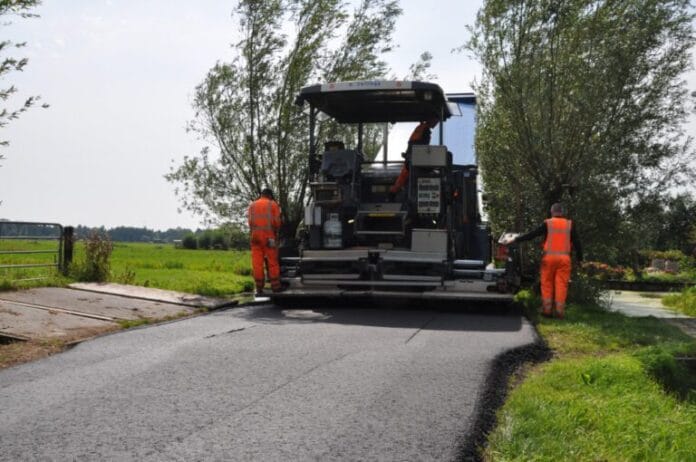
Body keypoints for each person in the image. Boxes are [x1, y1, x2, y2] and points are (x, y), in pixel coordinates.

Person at [506, 203, 582, 319]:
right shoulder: (569, 224)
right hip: (564, 259)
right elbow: (577, 242)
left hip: (549, 259)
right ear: (562, 212)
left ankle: (547, 311)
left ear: (552, 212)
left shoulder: (548, 223)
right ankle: (559, 311)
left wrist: (516, 239)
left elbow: (532, 234)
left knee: (547, 283)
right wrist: (580, 259)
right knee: (561, 284)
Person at [388, 116, 439, 200]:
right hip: (415, 158)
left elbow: (413, 143)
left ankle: (393, 193)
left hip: (412, 157)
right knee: (411, 176)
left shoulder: (421, 128)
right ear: (431, 119)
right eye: (436, 121)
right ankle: (396, 194)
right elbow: (421, 146)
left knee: (404, 176)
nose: (436, 124)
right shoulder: (425, 130)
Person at [248, 188, 282, 295]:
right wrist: (276, 232)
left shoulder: (252, 205)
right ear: (270, 195)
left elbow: (250, 222)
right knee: (272, 261)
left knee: (257, 263)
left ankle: (259, 287)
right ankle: (275, 286)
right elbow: (277, 223)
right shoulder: (273, 204)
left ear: (261, 195)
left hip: (255, 237)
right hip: (269, 238)